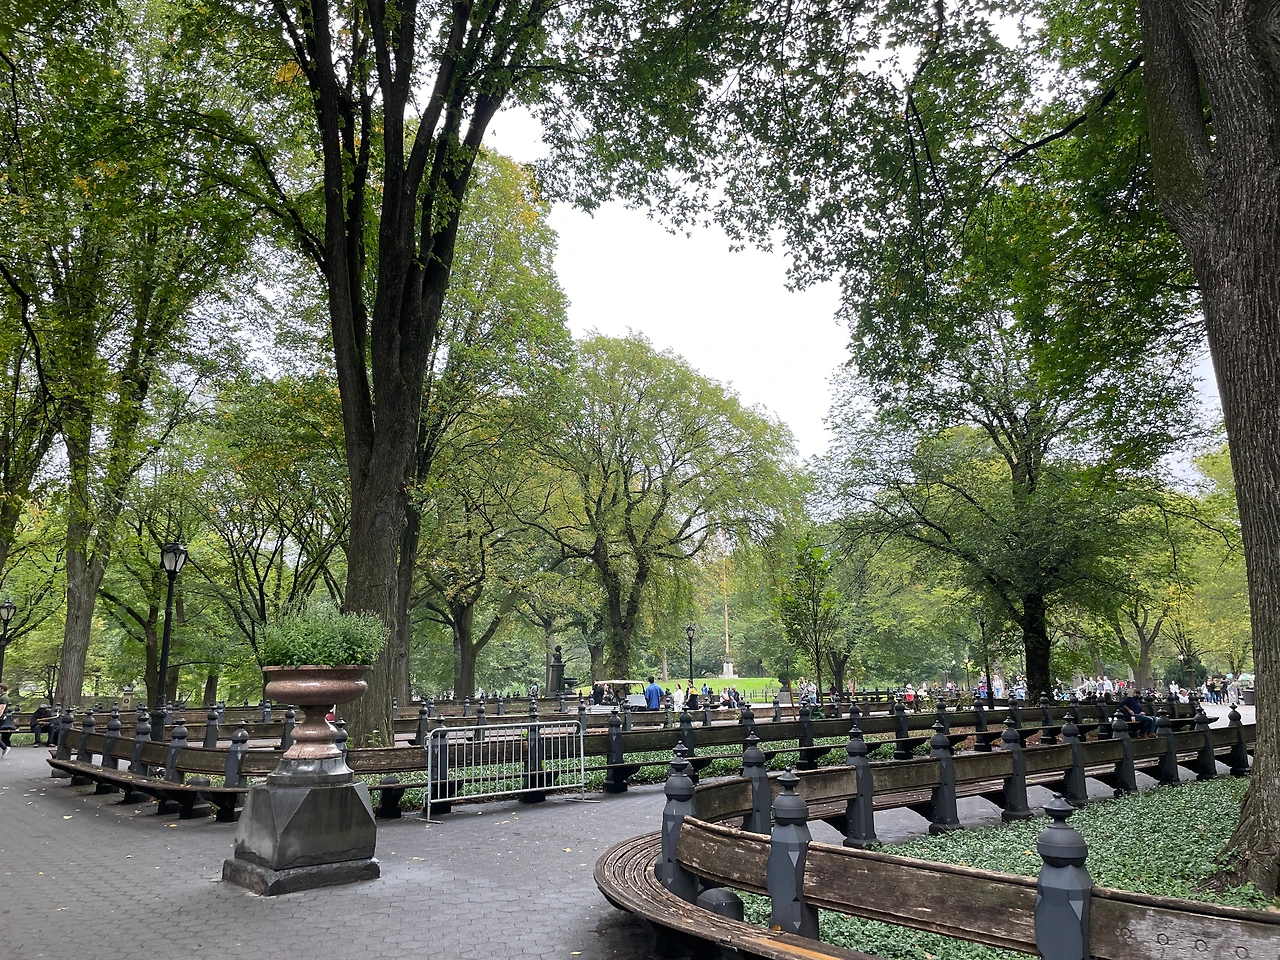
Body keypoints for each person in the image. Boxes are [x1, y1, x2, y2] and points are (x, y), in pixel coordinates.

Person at [0, 683, 12, 758]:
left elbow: (1, 709)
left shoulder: (4, 698)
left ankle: (4, 747)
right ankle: (4, 747)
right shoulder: (2, 697)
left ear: (2, 689)